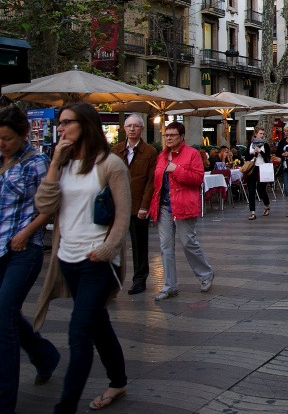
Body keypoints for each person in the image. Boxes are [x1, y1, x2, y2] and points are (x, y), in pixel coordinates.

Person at [33, 103, 131, 412]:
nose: (60, 128)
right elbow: (44, 205)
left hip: (97, 261)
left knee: (79, 333)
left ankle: (66, 406)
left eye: (66, 122)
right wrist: (53, 165)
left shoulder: (111, 164)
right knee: (97, 324)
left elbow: (123, 216)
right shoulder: (62, 164)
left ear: (85, 124)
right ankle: (118, 380)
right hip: (68, 258)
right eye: (59, 124)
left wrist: (107, 249)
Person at [0, 105, 59, 414]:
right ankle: (45, 356)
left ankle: (0, 405)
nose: (1, 144)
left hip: (24, 252)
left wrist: (26, 234)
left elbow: (48, 209)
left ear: (23, 134)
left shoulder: (38, 163)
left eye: (7, 138)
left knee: (2, 324)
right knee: (7, 316)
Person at [149, 121, 213, 300]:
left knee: (188, 243)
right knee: (165, 247)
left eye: (172, 135)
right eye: (166, 135)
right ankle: (169, 285)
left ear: (181, 136)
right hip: (164, 207)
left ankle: (206, 274)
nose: (168, 138)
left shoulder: (192, 154)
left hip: (183, 205)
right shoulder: (161, 156)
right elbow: (156, 182)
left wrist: (176, 169)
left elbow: (198, 178)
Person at [111, 114, 157, 295]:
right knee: (113, 245)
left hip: (138, 205)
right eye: (129, 126)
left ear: (142, 129)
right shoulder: (115, 150)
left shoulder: (150, 152)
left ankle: (139, 279)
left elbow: (151, 181)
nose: (132, 129)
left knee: (139, 245)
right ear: (124, 128)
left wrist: (144, 206)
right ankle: (112, 282)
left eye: (136, 126)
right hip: (117, 205)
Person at [245, 127, 272, 219]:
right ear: (255, 134)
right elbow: (247, 158)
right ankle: (252, 212)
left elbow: (268, 158)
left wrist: (261, 152)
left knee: (261, 189)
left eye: (263, 134)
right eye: (260, 133)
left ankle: (267, 205)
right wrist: (254, 153)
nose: (262, 135)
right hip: (253, 168)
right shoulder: (250, 145)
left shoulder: (265, 145)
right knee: (251, 190)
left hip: (263, 168)